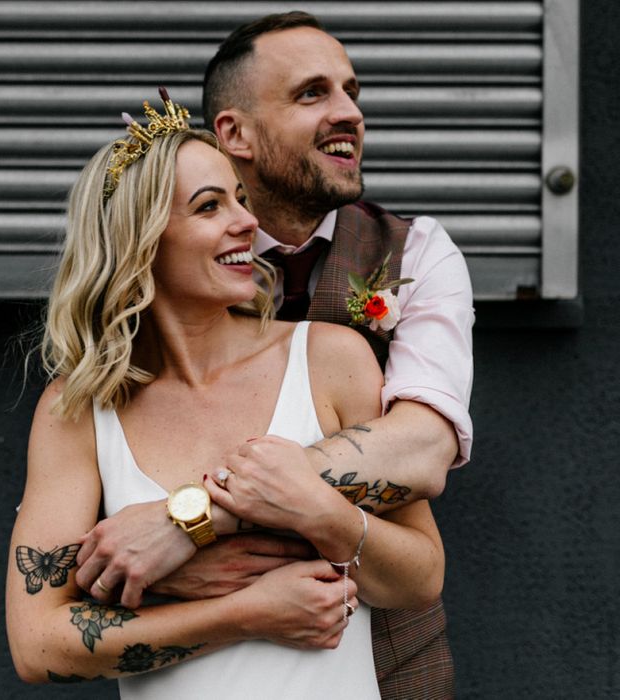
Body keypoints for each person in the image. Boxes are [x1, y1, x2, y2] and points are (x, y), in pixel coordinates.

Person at [74, 11, 474, 699]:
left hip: (390, 655)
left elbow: (423, 448)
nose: (349, 113)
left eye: (352, 91)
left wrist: (194, 520)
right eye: (313, 94)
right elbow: (90, 563)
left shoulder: (419, 254)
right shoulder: (161, 294)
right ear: (234, 133)